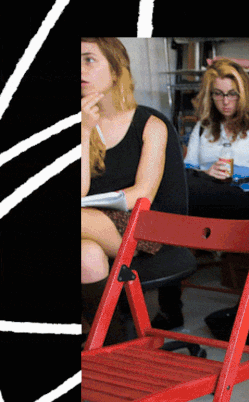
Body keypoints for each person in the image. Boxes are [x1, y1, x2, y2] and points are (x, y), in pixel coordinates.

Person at [81, 38, 185, 340]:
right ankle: (111, 342)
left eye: (89, 60)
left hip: (140, 225)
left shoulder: (150, 123)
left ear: (115, 71)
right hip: (90, 224)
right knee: (87, 256)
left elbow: (143, 195)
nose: (80, 69)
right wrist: (84, 131)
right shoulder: (78, 123)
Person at [185, 59, 249, 219]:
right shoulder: (203, 126)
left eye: (232, 94)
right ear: (210, 96)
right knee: (182, 187)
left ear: (243, 94)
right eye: (218, 94)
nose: (225, 101)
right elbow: (188, 169)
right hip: (210, 194)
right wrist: (206, 173)